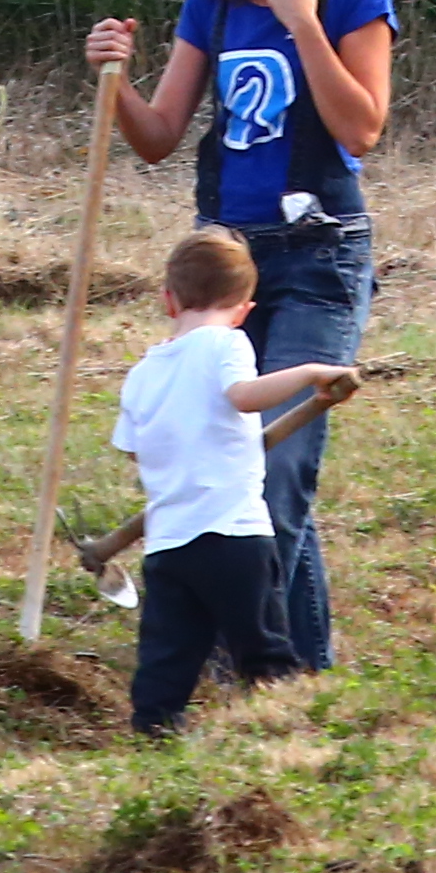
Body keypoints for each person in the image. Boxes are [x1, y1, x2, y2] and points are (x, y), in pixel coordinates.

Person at [78, 0, 394, 672]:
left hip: (321, 251)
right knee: (243, 467)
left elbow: (362, 129)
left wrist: (303, 23)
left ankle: (247, 663)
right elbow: (156, 137)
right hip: (224, 266)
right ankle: (301, 669)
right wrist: (114, 78)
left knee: (280, 466)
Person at [108, 228, 357, 737]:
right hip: (234, 535)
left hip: (170, 545)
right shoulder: (227, 343)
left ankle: (155, 728)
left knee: (168, 653)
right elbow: (246, 397)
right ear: (245, 308)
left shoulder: (141, 373)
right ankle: (288, 728)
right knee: (261, 643)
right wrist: (310, 373)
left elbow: (133, 446)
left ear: (168, 300)